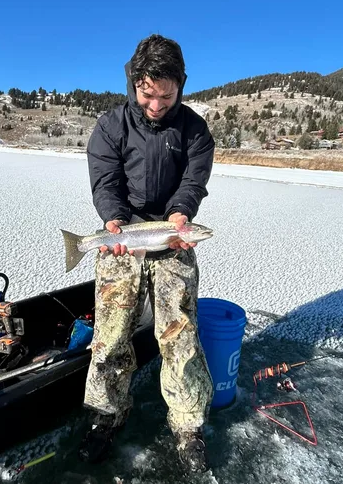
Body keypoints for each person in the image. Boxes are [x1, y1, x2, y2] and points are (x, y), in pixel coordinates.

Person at [78, 34, 215, 473]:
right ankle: (106, 415)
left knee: (180, 336)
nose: (155, 105)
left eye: (166, 96)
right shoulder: (111, 125)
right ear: (134, 83)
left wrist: (180, 215)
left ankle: (188, 427)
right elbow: (105, 181)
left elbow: (193, 182)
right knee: (111, 334)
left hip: (171, 235)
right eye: (146, 94)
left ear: (181, 86)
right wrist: (114, 220)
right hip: (123, 234)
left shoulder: (195, 130)